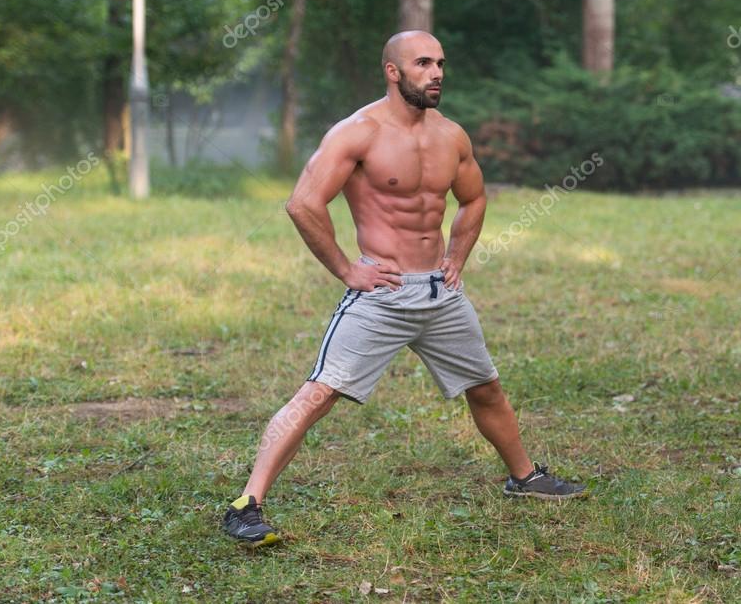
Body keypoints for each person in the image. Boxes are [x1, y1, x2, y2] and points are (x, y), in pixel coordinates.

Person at [223, 31, 586, 547]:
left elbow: (474, 198)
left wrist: (456, 256)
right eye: (422, 63)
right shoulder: (358, 133)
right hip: (382, 293)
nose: (436, 72)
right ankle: (247, 504)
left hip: (440, 293)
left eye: (440, 63)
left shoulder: (451, 136)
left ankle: (524, 477)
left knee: (486, 387)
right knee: (320, 392)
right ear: (393, 72)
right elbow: (303, 203)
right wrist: (349, 270)